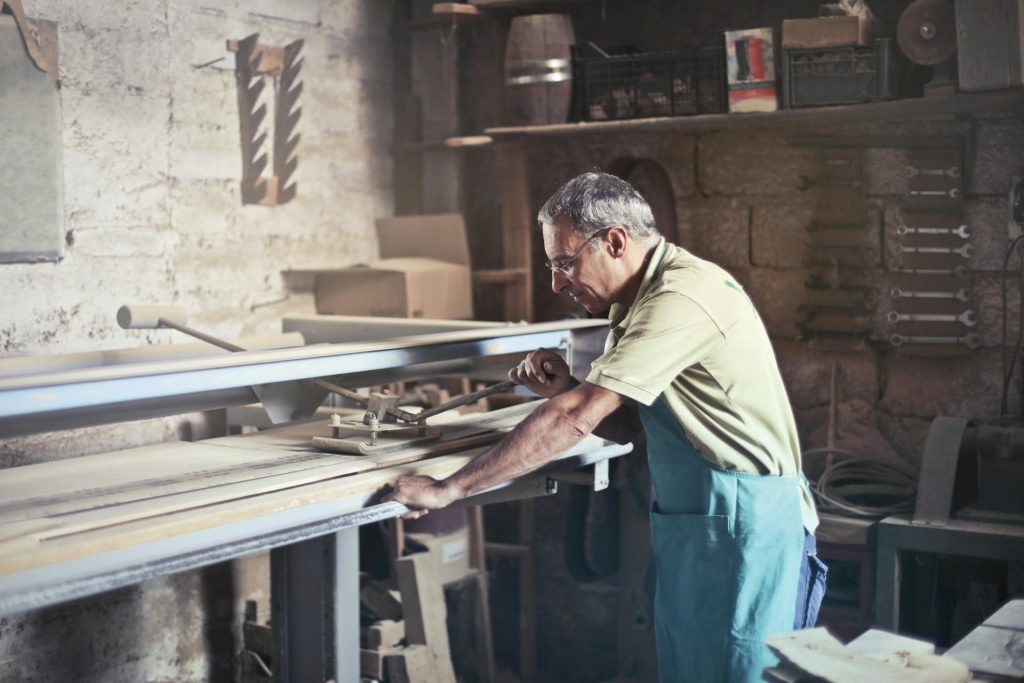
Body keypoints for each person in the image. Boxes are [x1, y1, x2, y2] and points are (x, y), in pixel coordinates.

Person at [384, 171, 825, 682]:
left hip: (750, 528)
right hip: (705, 524)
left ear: (615, 241)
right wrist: (567, 386)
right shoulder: (634, 304)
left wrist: (448, 489)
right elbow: (633, 430)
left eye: (565, 263)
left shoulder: (681, 298)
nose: (557, 283)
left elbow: (576, 419)